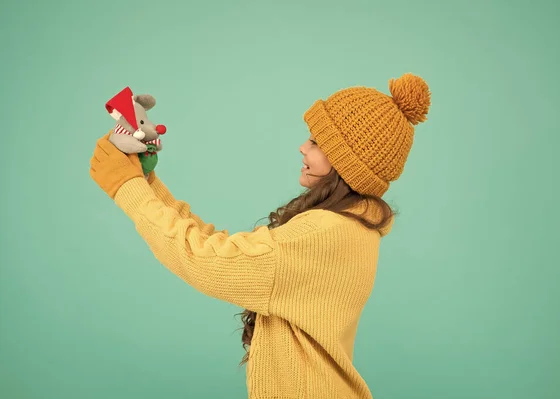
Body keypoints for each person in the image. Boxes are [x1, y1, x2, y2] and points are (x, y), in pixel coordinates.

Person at [90, 72, 431, 398]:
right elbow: (222, 247)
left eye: (315, 141)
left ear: (345, 161)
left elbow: (204, 260)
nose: (302, 147)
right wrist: (148, 183)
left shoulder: (320, 234)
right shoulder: (350, 228)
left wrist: (128, 187)